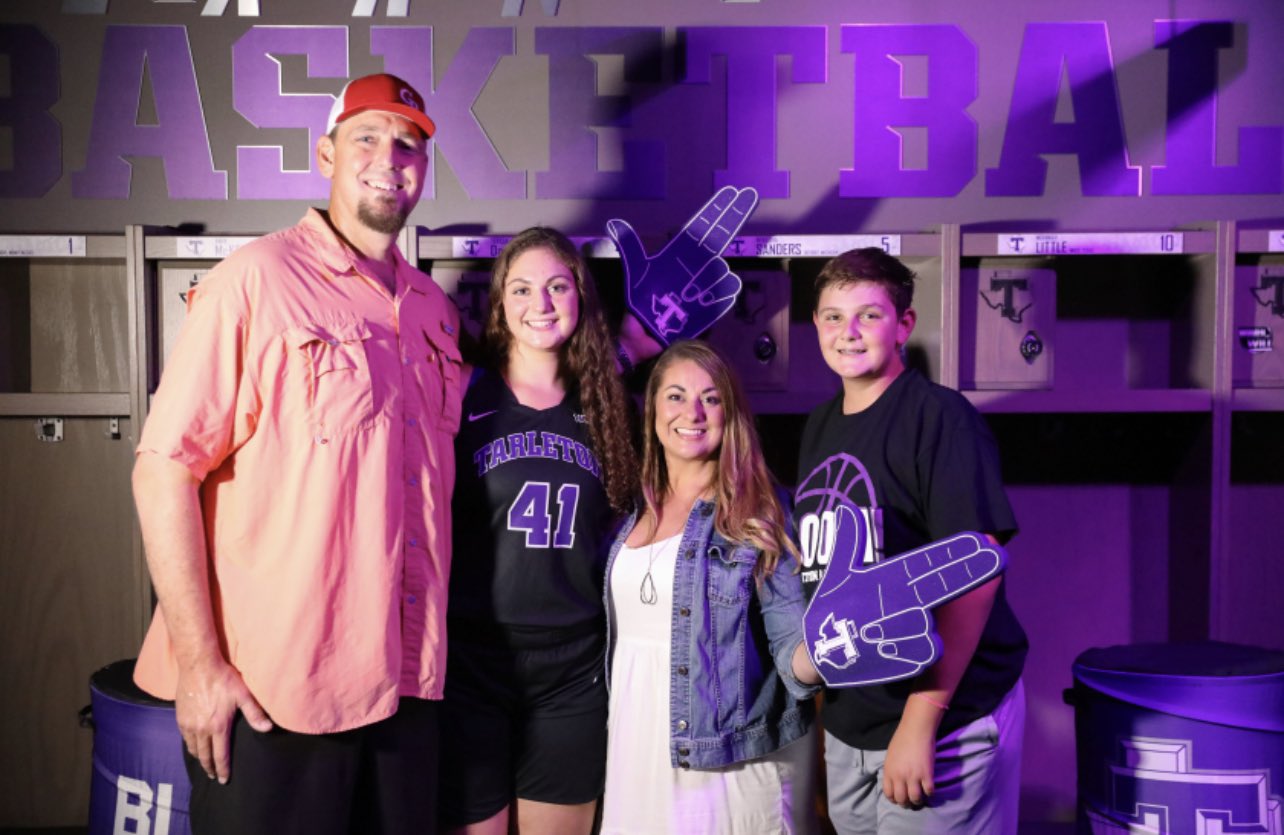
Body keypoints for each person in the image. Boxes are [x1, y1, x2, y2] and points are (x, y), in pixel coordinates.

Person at [131, 73, 456, 833]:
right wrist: (201, 666)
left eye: (408, 144)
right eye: (367, 138)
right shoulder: (255, 280)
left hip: (407, 683)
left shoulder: (433, 310)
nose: (389, 158)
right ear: (326, 155)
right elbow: (163, 470)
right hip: (274, 692)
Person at [793, 248, 1027, 832]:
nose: (848, 332)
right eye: (833, 316)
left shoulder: (940, 417)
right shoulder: (820, 425)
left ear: (903, 325)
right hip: (854, 723)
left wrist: (920, 722)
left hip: (941, 722)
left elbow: (975, 577)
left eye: (869, 316)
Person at [439, 227, 641, 835]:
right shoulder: (463, 391)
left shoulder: (608, 403)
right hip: (474, 663)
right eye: (522, 289)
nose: (542, 304)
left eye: (557, 286)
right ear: (500, 302)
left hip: (572, 669)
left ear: (580, 296)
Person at [600, 340, 822, 835]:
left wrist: (833, 646)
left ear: (730, 414)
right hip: (635, 751)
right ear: (653, 410)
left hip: (727, 765)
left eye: (711, 398)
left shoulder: (759, 511)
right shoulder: (628, 509)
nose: (693, 413)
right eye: (676, 396)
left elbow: (793, 648)